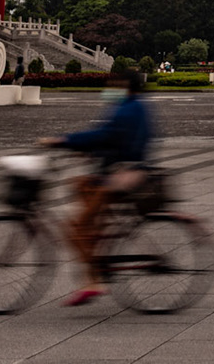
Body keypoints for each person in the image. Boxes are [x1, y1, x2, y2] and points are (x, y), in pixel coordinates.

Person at [40, 69, 155, 306]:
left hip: (124, 175)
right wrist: (89, 151)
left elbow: (106, 135)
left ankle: (93, 281)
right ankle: (96, 242)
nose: (111, 88)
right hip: (121, 169)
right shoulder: (133, 106)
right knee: (79, 185)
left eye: (116, 84)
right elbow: (113, 139)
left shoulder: (129, 109)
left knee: (77, 229)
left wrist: (64, 141)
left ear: (126, 86)